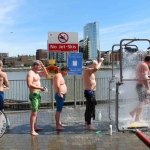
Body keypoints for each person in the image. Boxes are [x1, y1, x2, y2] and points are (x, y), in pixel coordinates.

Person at [26, 60, 48, 136]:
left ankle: (35, 126)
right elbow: (29, 85)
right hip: (34, 94)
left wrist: (43, 66)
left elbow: (46, 74)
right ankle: (32, 130)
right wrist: (40, 88)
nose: (40, 67)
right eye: (39, 66)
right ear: (35, 66)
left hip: (38, 93)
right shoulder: (30, 73)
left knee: (36, 111)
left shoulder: (37, 73)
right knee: (34, 112)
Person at [83, 58, 104, 130]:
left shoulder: (90, 72)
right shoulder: (88, 70)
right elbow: (97, 68)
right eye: (95, 64)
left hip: (90, 92)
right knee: (90, 109)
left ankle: (86, 123)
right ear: (91, 64)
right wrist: (100, 61)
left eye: (96, 64)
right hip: (89, 92)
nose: (96, 66)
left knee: (88, 108)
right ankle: (89, 125)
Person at [129, 55, 150, 122]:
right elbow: (144, 77)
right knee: (142, 102)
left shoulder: (141, 64)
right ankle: (136, 118)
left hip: (139, 85)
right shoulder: (145, 66)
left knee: (143, 102)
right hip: (141, 86)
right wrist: (148, 89)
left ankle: (134, 114)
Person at [53, 66, 69, 130]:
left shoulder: (60, 76)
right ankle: (57, 126)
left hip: (62, 94)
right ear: (64, 70)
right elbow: (58, 85)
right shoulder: (58, 75)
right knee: (58, 111)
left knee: (59, 110)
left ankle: (59, 123)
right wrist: (60, 93)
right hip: (60, 95)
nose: (67, 73)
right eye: (67, 71)